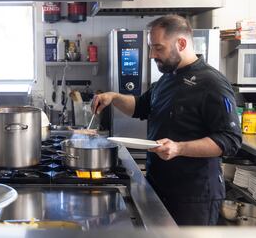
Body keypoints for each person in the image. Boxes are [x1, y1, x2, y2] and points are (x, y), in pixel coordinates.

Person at [93, 15, 242, 225]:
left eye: (158, 48)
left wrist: (179, 148)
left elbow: (230, 139)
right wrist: (114, 98)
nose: (152, 54)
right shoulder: (167, 78)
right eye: (151, 48)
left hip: (193, 195)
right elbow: (140, 106)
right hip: (160, 186)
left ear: (181, 43)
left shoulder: (213, 83)